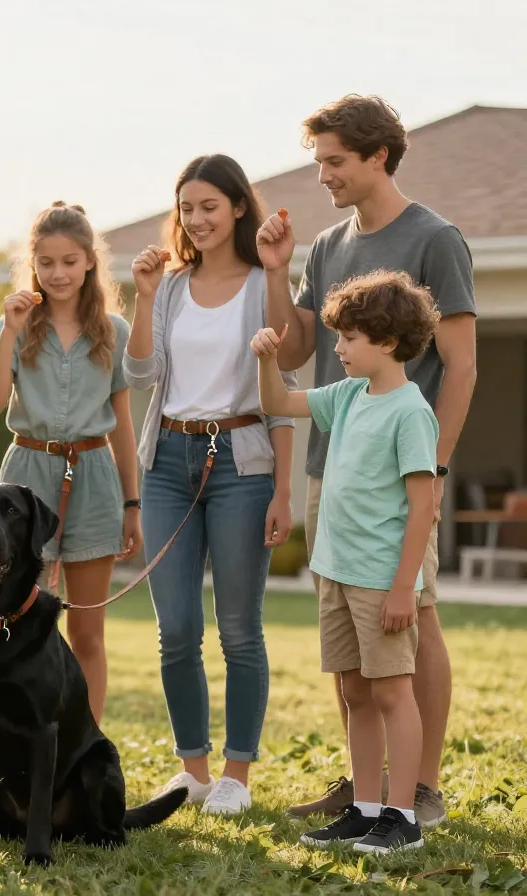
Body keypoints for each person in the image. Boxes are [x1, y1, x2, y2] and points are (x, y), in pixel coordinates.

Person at [259, 94, 477, 826]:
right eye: (319, 160)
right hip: (331, 465)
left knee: (414, 619)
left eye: (334, 161)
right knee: (349, 633)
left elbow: (463, 366)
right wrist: (276, 273)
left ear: (378, 155)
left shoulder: (434, 239)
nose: (323, 175)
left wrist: (435, 470)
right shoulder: (325, 248)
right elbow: (296, 353)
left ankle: (421, 787)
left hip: (406, 470)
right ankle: (366, 786)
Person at [122, 155, 296, 816]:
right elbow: (141, 374)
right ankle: (192, 769)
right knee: (176, 628)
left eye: (209, 208)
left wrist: (280, 490)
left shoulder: (261, 283)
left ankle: (237, 775)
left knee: (240, 630)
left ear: (238, 209)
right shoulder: (167, 287)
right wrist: (141, 296)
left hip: (241, 467)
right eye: (186, 208)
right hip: (168, 460)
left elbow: (281, 387)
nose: (196, 220)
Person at [253, 270, 440, 854]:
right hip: (334, 572)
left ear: (386, 341)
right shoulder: (349, 395)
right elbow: (279, 401)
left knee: (392, 694)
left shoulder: (410, 412)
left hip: (380, 579)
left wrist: (403, 588)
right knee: (355, 693)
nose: (337, 348)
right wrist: (265, 360)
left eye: (349, 338)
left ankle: (402, 816)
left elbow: (423, 508)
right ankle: (363, 808)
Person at [0, 201, 141, 725]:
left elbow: (122, 422)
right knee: (17, 619)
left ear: (90, 262)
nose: (58, 274)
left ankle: (84, 743)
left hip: (93, 478)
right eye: (46, 263)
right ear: (33, 264)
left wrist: (131, 503)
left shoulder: (112, 330)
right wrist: (7, 329)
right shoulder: (19, 326)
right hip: (26, 476)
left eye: (69, 261)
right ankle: (16, 732)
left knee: (87, 629)